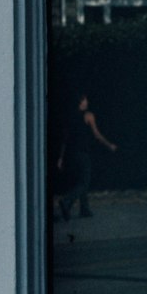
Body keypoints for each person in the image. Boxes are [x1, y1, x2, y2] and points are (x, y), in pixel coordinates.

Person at [56, 91, 118, 220]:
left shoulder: (70, 117)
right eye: (85, 100)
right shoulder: (88, 116)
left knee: (80, 180)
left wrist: (61, 158)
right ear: (81, 101)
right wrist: (109, 145)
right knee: (84, 182)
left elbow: (65, 139)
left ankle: (84, 209)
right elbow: (97, 135)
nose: (87, 102)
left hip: (71, 154)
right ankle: (66, 201)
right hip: (82, 153)